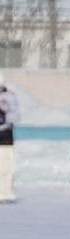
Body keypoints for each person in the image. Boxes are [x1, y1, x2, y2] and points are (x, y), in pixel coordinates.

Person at [0, 72, 20, 203]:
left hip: (5, 137)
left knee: (6, 166)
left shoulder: (9, 97)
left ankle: (5, 193)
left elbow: (15, 117)